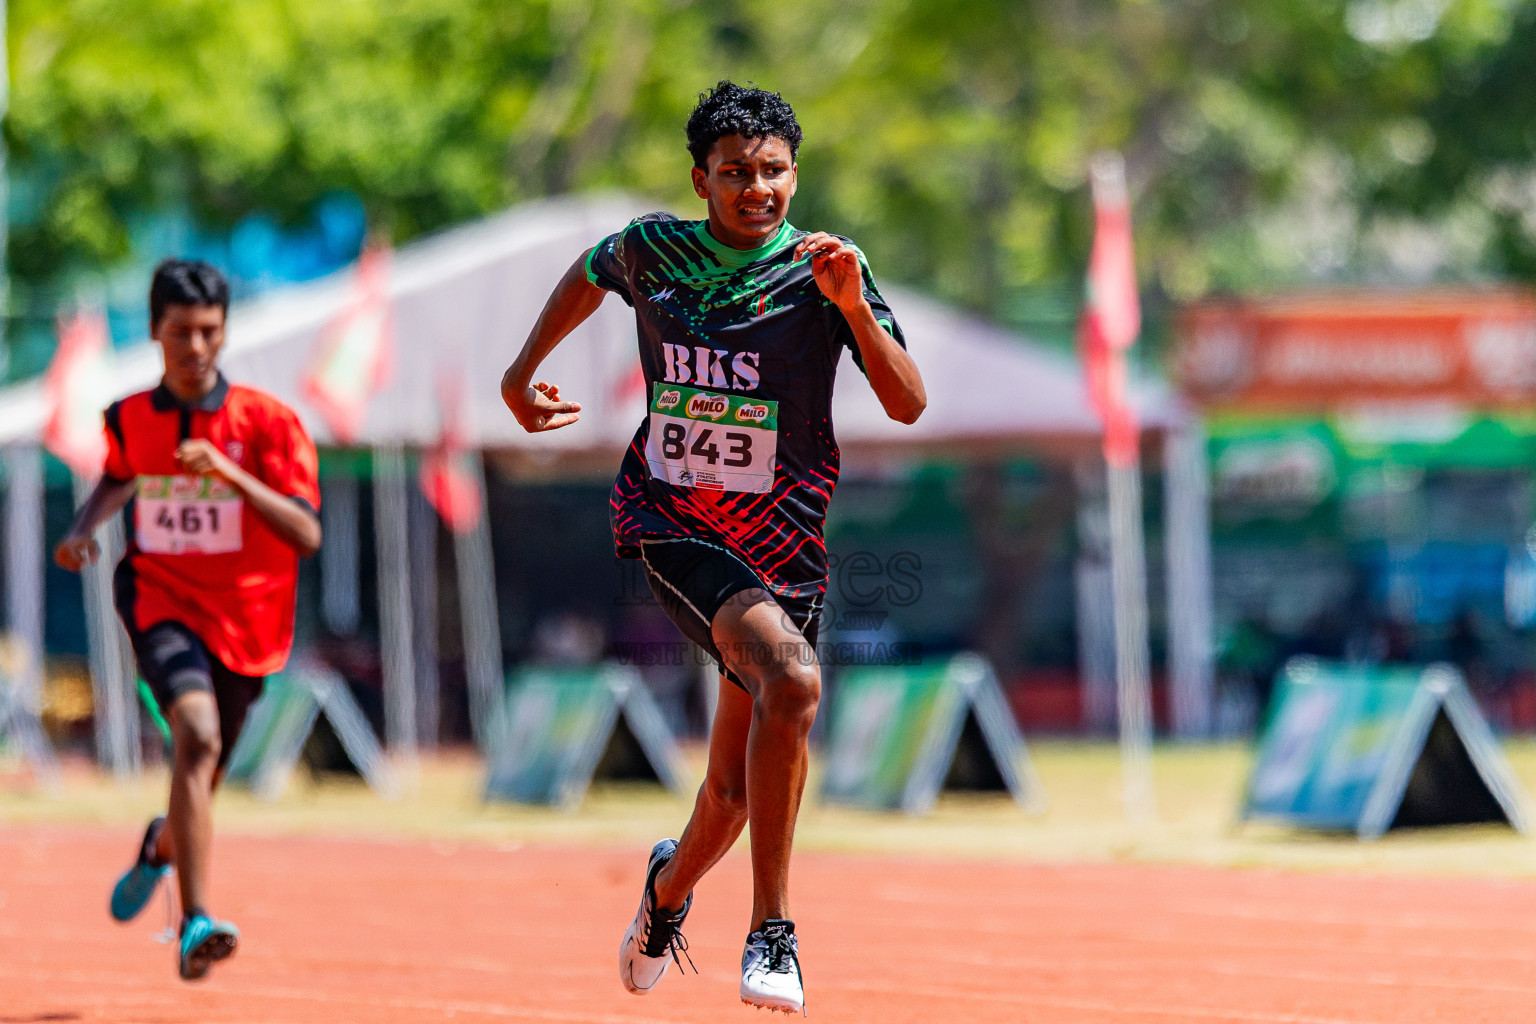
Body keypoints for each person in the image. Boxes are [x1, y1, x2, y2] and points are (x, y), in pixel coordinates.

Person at [501, 81, 925, 1013]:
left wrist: (854, 310)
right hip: (674, 524)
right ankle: (774, 931)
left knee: (731, 794)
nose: (756, 189)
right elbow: (590, 270)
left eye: (773, 171)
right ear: (702, 180)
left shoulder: (827, 272)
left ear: (795, 175)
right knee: (796, 682)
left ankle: (666, 890)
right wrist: (522, 372)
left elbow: (907, 402)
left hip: (785, 548)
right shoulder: (655, 250)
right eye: (735, 173)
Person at [55, 259, 322, 982]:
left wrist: (228, 473)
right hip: (161, 596)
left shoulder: (268, 424)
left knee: (202, 774)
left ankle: (160, 848)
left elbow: (306, 533)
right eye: (181, 332)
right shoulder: (129, 417)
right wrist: (83, 528)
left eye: (209, 331)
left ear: (225, 332)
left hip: (248, 620)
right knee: (195, 736)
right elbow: (120, 472)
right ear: (154, 331)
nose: (196, 347)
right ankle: (197, 919)